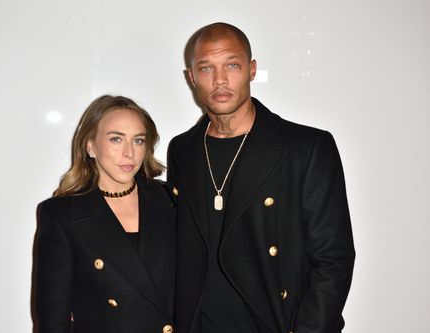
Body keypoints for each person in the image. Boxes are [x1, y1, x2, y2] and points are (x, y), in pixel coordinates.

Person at [167, 22, 355, 333]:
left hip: (274, 323)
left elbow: (333, 259)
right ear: (191, 78)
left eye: (232, 64)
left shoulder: (305, 147)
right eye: (206, 68)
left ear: (252, 70)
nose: (220, 79)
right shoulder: (183, 150)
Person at [32, 95, 175, 333]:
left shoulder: (171, 200)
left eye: (138, 140)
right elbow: (52, 321)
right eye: (116, 139)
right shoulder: (61, 215)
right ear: (90, 145)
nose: (129, 152)